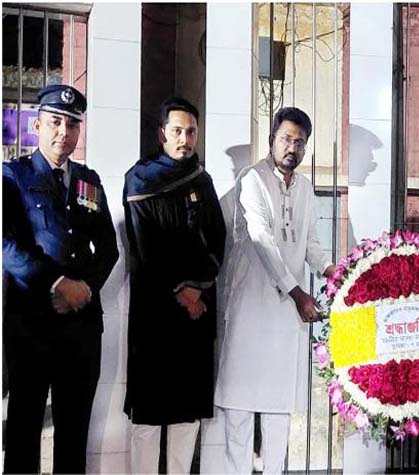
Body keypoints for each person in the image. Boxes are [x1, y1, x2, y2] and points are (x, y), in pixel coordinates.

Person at [2, 84, 118, 473]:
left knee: (73, 436)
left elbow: (109, 248)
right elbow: (6, 245)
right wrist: (57, 284)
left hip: (80, 328)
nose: (63, 133)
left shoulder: (88, 181)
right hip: (31, 325)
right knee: (24, 432)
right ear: (37, 126)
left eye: (72, 124)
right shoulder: (13, 176)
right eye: (55, 122)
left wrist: (84, 288)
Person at [215, 107, 335, 474]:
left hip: (284, 318)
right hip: (250, 309)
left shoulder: (305, 189)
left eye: (299, 142)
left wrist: (332, 271)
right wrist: (299, 294)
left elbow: (311, 243)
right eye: (286, 139)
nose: (292, 148)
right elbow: (262, 239)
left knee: (278, 413)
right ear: (271, 139)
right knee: (238, 411)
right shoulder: (252, 179)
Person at [122, 97, 227, 474]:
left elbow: (217, 237)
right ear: (162, 133)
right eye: (178, 131)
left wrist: (197, 288)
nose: (185, 139)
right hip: (155, 313)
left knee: (186, 414)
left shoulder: (202, 179)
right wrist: (182, 292)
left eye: (191, 132)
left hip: (195, 316)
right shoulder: (140, 179)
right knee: (148, 415)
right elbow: (145, 246)